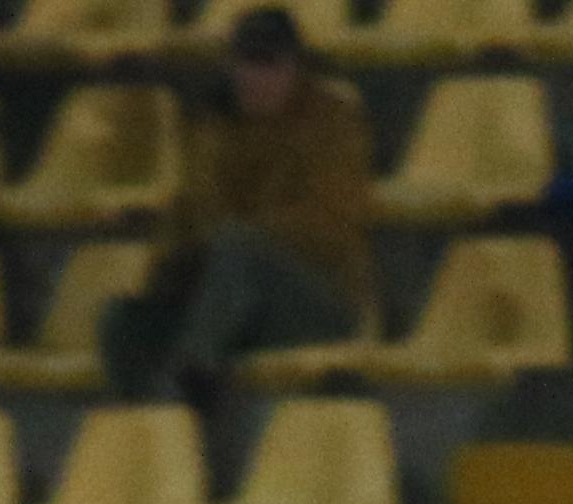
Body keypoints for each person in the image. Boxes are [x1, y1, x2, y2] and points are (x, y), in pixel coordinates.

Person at [100, 10, 376, 409]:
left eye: (269, 64)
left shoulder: (332, 121)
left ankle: (192, 381)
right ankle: (148, 423)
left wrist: (239, 241)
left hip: (319, 302)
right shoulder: (214, 127)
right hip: (229, 302)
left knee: (238, 247)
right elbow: (189, 214)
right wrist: (176, 261)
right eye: (247, 63)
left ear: (295, 68)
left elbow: (331, 225)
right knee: (123, 320)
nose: (256, 78)